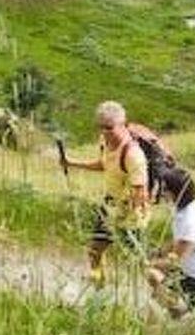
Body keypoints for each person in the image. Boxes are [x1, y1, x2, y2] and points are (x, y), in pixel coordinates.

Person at [63, 100, 150, 283]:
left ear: (123, 125)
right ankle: (99, 286)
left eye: (109, 128)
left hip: (131, 213)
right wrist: (72, 163)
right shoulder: (105, 142)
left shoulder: (134, 155)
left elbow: (140, 193)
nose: (104, 132)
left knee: (140, 262)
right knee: (95, 249)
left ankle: (164, 292)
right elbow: (104, 164)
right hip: (110, 205)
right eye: (101, 127)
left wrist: (125, 222)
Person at [149, 167, 195, 311]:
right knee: (156, 286)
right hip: (189, 271)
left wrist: (149, 263)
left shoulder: (188, 218)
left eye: (165, 190)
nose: (162, 194)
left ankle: (179, 313)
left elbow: (175, 262)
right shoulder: (183, 209)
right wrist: (160, 251)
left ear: (175, 191)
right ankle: (177, 313)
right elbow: (179, 241)